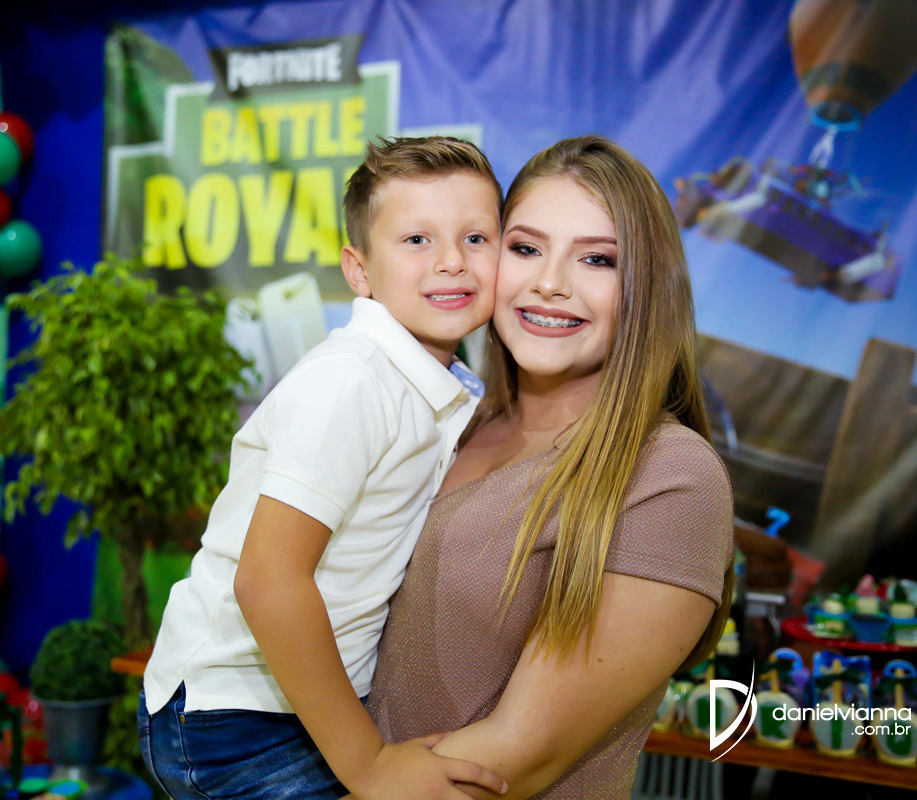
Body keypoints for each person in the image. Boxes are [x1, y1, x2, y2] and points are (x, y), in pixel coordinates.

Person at [365, 135, 735, 799]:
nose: (550, 283)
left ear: (647, 289)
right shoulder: (450, 424)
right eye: (526, 248)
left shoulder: (670, 476)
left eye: (597, 259)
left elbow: (514, 758)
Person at [140, 137, 510, 800]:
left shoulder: (435, 384)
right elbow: (268, 580)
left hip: (304, 701)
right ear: (359, 270)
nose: (452, 261)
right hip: (237, 717)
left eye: (476, 238)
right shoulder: (352, 381)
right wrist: (369, 765)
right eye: (417, 240)